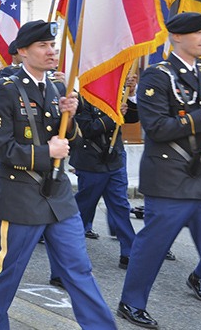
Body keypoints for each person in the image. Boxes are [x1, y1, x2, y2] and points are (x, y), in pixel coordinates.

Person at [0, 20, 116, 330]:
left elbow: (72, 140)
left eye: (52, 45)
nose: (51, 51)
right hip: (19, 197)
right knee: (5, 274)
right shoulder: (6, 89)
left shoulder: (57, 88)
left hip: (58, 198)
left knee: (78, 269)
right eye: (43, 46)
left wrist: (71, 115)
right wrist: (46, 154)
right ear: (23, 52)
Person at [118, 12, 201, 328]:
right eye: (198, 32)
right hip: (170, 176)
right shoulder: (157, 77)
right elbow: (157, 128)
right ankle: (131, 302)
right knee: (154, 246)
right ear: (176, 37)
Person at [70, 77, 139, 269]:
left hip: (114, 160)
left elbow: (133, 117)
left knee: (120, 206)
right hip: (91, 162)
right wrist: (113, 116)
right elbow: (86, 128)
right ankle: (66, 248)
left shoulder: (115, 93)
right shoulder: (82, 97)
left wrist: (131, 95)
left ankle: (129, 252)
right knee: (83, 208)